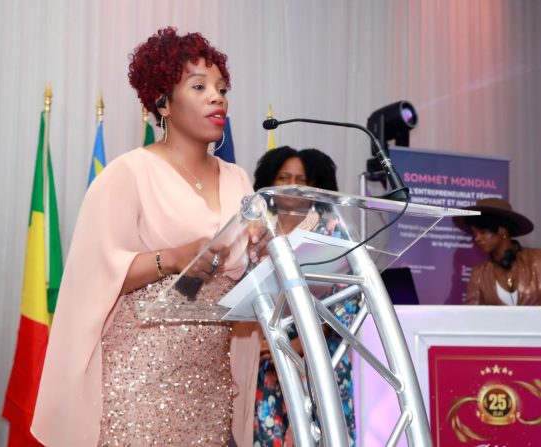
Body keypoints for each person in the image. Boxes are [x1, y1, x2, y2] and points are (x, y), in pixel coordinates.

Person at [31, 27, 259, 446]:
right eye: (199, 86)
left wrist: (269, 249)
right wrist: (170, 259)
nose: (217, 97)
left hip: (212, 387)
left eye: (222, 88)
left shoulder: (239, 179)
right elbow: (92, 276)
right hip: (140, 387)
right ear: (163, 102)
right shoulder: (129, 173)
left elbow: (245, 275)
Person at [251, 146, 357, 446]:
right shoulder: (257, 231)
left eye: (302, 179)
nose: (292, 185)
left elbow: (346, 299)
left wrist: (298, 345)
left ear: (316, 187)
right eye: (283, 177)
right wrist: (262, 343)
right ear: (269, 182)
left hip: (320, 358)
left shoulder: (331, 231)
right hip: (267, 359)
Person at [454, 197, 541, 306]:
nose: (477, 238)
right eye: (475, 234)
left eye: (482, 232)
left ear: (502, 230)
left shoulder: (538, 261)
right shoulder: (478, 274)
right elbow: (471, 313)